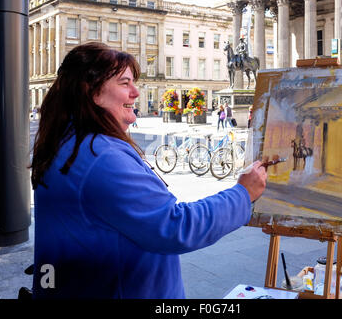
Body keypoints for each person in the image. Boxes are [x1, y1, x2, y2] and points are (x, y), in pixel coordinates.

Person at [29, 42, 267, 299]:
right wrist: (243, 194)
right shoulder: (100, 155)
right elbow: (175, 226)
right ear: (92, 92)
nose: (135, 93)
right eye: (124, 83)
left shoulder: (71, 142)